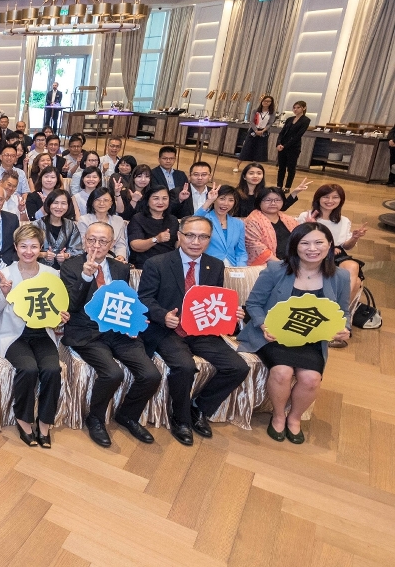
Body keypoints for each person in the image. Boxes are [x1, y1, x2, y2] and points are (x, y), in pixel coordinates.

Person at [138, 216, 250, 446]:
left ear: (210, 239)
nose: (196, 242)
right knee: (184, 366)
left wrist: (231, 313)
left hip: (201, 329)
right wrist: (163, 315)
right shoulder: (157, 263)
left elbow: (215, 300)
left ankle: (199, 408)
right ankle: (181, 419)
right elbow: (144, 299)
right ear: (179, 235)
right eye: (190, 235)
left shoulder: (215, 265)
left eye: (203, 237)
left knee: (238, 367)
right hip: (167, 330)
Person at [238, 223, 350, 443]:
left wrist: (344, 328)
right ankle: (278, 416)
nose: (312, 249)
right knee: (282, 372)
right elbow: (253, 304)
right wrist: (263, 325)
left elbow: (343, 311)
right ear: (295, 246)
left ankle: (295, 418)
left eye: (319, 242)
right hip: (274, 336)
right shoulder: (275, 270)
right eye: (305, 243)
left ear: (329, 245)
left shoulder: (341, 277)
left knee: (311, 379)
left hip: (312, 339)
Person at [59, 222, 161, 448]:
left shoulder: (120, 268)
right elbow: (71, 305)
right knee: (113, 373)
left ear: (112, 244)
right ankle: (95, 418)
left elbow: (124, 301)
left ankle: (127, 416)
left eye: (103, 241)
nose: (96, 245)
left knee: (151, 375)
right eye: (91, 240)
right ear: (84, 241)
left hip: (117, 330)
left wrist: (134, 321)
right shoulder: (70, 266)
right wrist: (85, 277)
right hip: (86, 332)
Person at [0, 224, 67, 447]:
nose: (29, 251)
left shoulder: (52, 274)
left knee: (52, 369)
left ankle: (44, 421)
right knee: (28, 368)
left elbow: (56, 309)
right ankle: (23, 419)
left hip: (42, 333)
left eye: (34, 246)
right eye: (23, 246)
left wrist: (62, 317)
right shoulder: (6, 273)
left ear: (41, 248)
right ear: (15, 247)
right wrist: (4, 294)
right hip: (13, 334)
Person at [298, 184, 366, 308]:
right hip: (314, 253)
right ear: (318, 198)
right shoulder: (306, 216)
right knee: (356, 282)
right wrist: (308, 227)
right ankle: (337, 311)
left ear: (341, 200)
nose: (330, 201)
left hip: (337, 255)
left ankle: (336, 310)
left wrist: (355, 237)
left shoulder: (344, 220)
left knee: (353, 266)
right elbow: (297, 240)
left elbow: (346, 246)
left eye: (335, 197)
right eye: (326, 197)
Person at [194, 185, 248, 267]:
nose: (226, 203)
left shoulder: (238, 223)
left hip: (232, 266)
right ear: (215, 200)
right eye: (222, 199)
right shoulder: (204, 219)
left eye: (231, 200)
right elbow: (192, 222)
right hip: (209, 266)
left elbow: (241, 251)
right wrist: (209, 201)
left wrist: (240, 268)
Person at [127, 184, 179, 268]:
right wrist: (156, 239)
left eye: (164, 198)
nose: (161, 202)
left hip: (169, 264)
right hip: (145, 264)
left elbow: (176, 244)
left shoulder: (173, 220)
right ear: (147, 201)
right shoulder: (138, 218)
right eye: (156, 198)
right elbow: (135, 246)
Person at [245, 186, 298, 266]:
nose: (273, 203)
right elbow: (256, 247)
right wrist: (283, 266)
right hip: (268, 265)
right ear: (259, 202)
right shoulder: (252, 221)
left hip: (292, 261)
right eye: (268, 200)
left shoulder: (289, 220)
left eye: (277, 200)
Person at [77, 187, 128, 261]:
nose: (101, 203)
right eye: (97, 200)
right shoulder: (84, 220)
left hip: (114, 259)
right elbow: (83, 245)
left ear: (111, 203)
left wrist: (120, 256)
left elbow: (120, 244)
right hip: (91, 258)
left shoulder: (118, 220)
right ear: (92, 202)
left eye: (106, 200)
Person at [38, 190, 82, 269]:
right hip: (40, 269)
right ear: (49, 204)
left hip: (65, 270)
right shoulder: (36, 225)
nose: (59, 207)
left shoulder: (71, 225)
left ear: (68, 206)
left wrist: (66, 255)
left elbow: (78, 250)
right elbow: (27, 249)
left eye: (63, 203)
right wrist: (43, 254)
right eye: (55, 203)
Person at [276, 101, 310, 188]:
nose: (295, 109)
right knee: (281, 167)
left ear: (304, 108)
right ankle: (279, 186)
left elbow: (298, 135)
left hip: (293, 147)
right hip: (282, 145)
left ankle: (287, 186)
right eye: (294, 108)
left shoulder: (305, 120)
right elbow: (282, 132)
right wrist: (278, 143)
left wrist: (285, 145)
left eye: (298, 107)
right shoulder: (289, 119)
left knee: (291, 168)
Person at [238, 95, 275, 169]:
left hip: (264, 132)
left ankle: (255, 166)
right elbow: (251, 122)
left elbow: (270, 123)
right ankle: (237, 165)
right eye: (265, 101)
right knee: (246, 147)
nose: (266, 102)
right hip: (253, 130)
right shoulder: (255, 111)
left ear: (271, 103)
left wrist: (263, 130)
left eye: (268, 101)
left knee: (259, 150)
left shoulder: (272, 112)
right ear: (262, 101)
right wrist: (256, 130)